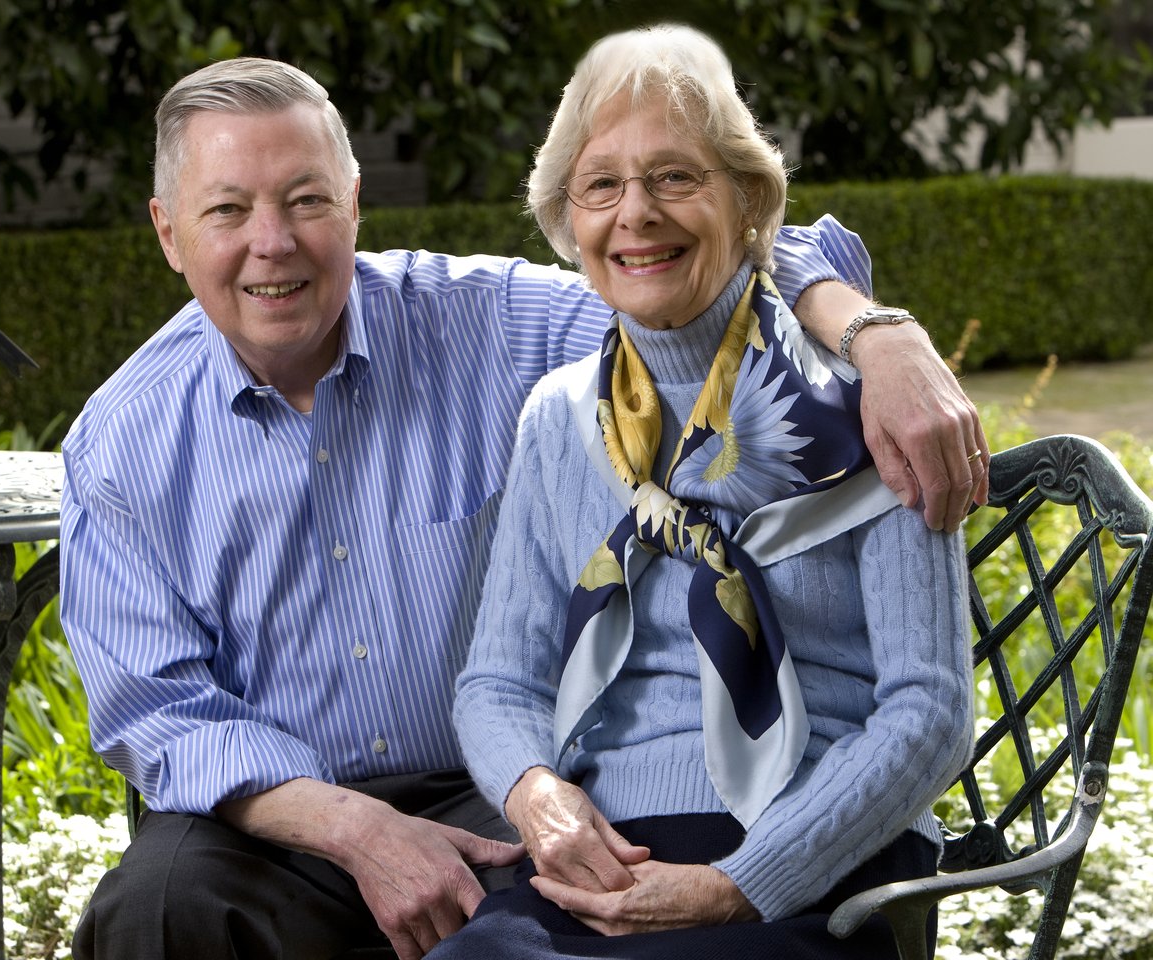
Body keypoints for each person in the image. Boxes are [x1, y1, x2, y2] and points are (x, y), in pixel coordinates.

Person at [58, 54, 984, 960]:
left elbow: (678, 255)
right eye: (227, 210)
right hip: (284, 821)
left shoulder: (490, 325)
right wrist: (359, 828)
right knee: (159, 903)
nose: (274, 241)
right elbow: (160, 712)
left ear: (352, 201)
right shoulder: (123, 440)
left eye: (306, 200)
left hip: (497, 797)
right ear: (169, 231)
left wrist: (877, 335)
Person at [429, 23, 975, 960]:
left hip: (816, 856)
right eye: (602, 186)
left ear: (751, 200)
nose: (635, 214)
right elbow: (496, 681)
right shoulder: (559, 418)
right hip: (606, 855)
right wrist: (537, 794)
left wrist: (742, 885)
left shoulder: (865, 402)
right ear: (570, 220)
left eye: (676, 177)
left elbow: (929, 714)